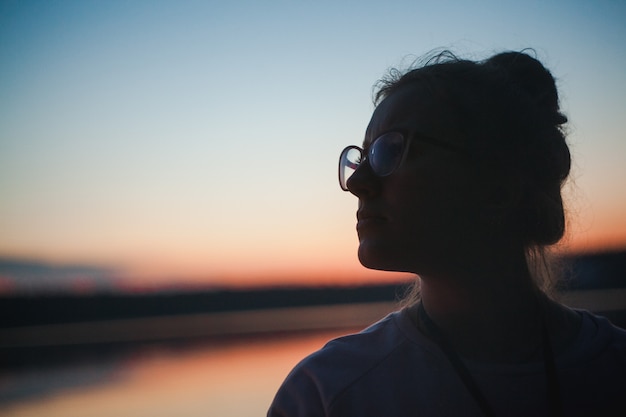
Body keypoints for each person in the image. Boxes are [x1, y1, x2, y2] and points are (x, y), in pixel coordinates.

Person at [267, 51, 626, 417]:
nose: (358, 183)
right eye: (363, 158)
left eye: (390, 150)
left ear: (498, 185)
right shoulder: (322, 395)